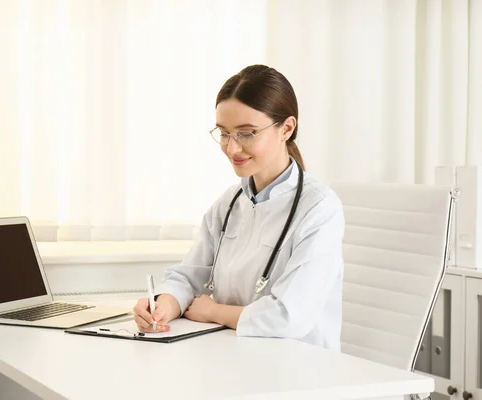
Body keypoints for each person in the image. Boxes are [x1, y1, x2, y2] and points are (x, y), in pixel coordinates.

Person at [133, 65, 345, 350]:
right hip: (236, 355)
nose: (232, 148)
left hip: (299, 368)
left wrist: (212, 312)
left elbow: (289, 317)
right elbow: (189, 276)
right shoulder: (230, 202)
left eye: (246, 133)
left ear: (286, 128)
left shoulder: (319, 208)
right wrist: (162, 306)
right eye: (224, 133)